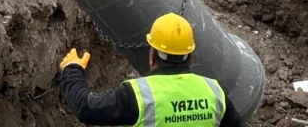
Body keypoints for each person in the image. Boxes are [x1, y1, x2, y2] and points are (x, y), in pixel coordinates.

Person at [59, 13, 243, 127]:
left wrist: (71, 69)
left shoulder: (138, 96)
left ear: (152, 55)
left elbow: (86, 108)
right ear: (190, 55)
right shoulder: (214, 92)